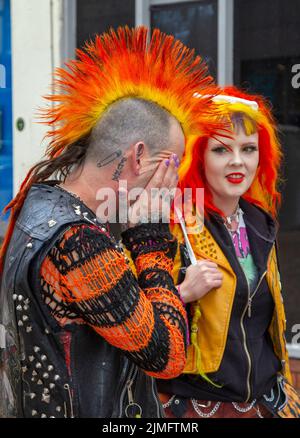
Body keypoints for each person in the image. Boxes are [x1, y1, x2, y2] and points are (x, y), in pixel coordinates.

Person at [0, 26, 221, 418]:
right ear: (138, 157)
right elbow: (167, 356)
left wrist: (178, 293)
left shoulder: (40, 197)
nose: (172, 182)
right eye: (170, 164)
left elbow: (106, 312)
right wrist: (150, 238)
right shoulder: (79, 242)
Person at [158, 86, 300, 418]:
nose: (238, 161)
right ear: (198, 155)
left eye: (248, 149)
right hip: (195, 407)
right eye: (221, 150)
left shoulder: (261, 223)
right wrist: (181, 292)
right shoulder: (176, 226)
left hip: (265, 401)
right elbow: (136, 324)